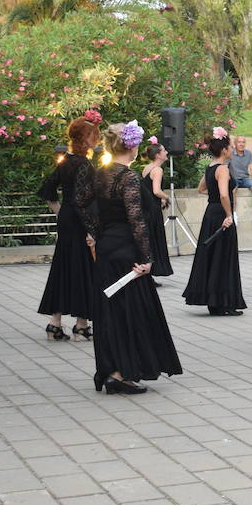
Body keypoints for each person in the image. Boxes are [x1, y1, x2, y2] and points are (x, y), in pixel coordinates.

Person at [78, 121, 182, 395]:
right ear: (132, 146)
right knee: (129, 311)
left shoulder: (100, 174)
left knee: (109, 311)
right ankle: (120, 373)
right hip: (127, 250)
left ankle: (112, 370)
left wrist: (97, 231)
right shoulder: (128, 178)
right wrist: (148, 258)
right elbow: (137, 220)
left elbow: (80, 202)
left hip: (107, 247)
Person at [37, 116, 99, 340]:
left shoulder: (64, 161)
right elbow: (84, 201)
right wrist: (93, 229)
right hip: (79, 221)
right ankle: (81, 325)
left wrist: (60, 211)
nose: (96, 140)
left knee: (63, 268)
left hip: (67, 219)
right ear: (85, 137)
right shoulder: (83, 164)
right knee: (82, 269)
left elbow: (47, 189)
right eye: (93, 136)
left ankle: (55, 322)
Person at [182, 129, 246, 316]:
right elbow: (225, 194)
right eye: (231, 147)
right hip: (221, 214)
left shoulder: (210, 167)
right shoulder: (223, 169)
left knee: (213, 255)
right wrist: (228, 215)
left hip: (211, 213)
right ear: (224, 150)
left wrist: (215, 198)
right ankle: (223, 302)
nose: (233, 150)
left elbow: (201, 189)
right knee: (224, 256)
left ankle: (215, 301)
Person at [140, 142, 173, 281]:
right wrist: (167, 197)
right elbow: (156, 190)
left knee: (149, 239)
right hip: (153, 209)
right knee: (154, 238)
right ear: (158, 155)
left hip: (145, 208)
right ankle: (152, 271)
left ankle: (149, 273)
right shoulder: (158, 170)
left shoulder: (146, 168)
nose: (166, 153)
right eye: (164, 151)